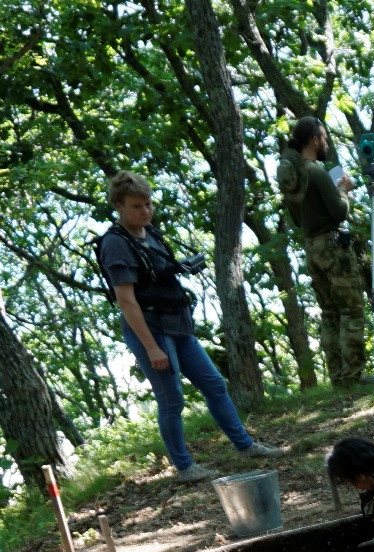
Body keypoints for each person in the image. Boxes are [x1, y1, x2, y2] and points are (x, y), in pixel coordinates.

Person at [94, 171, 282, 484]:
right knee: (172, 400)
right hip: (150, 330)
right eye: (137, 206)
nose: (145, 211)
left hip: (177, 324)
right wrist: (152, 347)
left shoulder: (150, 232)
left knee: (215, 384)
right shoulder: (114, 244)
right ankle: (184, 468)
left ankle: (246, 446)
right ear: (119, 206)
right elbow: (126, 301)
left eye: (148, 204)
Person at [276, 117, 367, 386]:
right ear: (314, 140)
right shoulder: (314, 171)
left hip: (312, 249)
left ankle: (339, 376)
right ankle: (352, 375)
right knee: (350, 310)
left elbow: (297, 219)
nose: (326, 142)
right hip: (332, 247)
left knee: (329, 312)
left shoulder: (296, 178)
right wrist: (343, 190)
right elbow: (339, 211)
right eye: (324, 137)